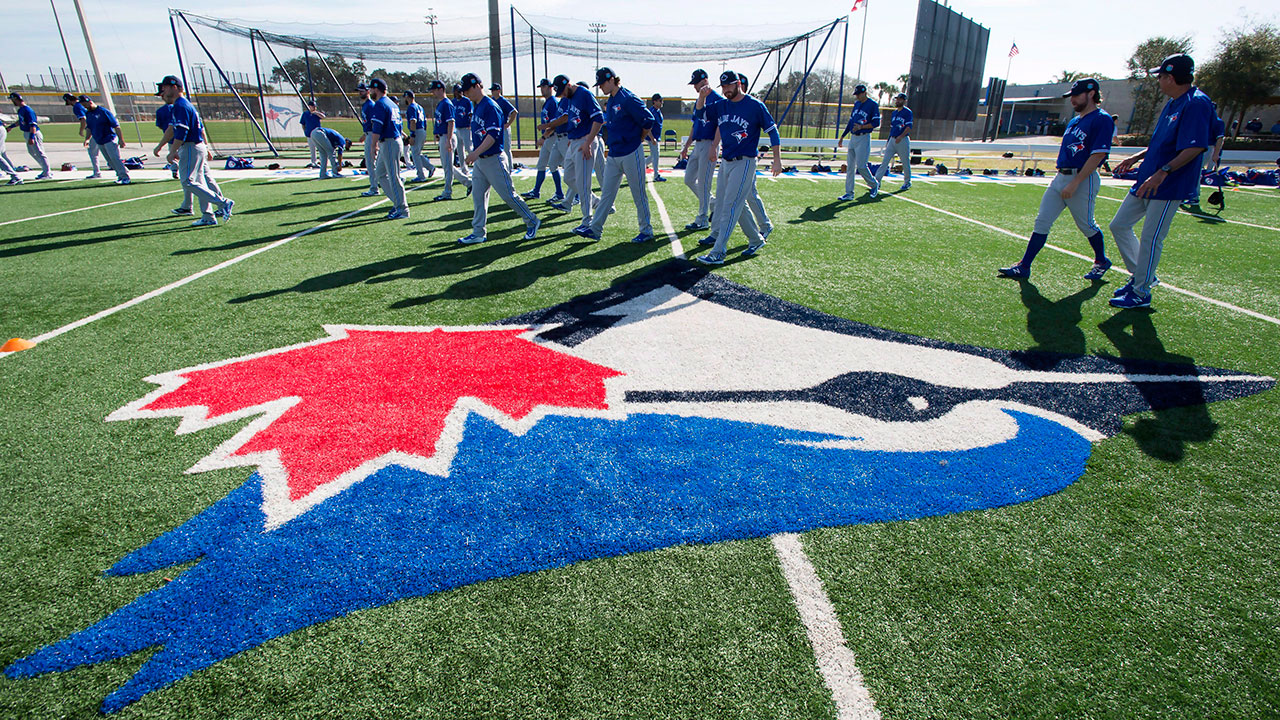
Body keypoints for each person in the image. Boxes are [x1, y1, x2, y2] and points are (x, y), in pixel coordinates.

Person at [1107, 54, 1213, 310]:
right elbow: (1160, 142)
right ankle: (1142, 277)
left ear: (1172, 77)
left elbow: (1195, 147)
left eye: (1162, 76)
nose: (1160, 81)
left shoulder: (1196, 103)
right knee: (1119, 225)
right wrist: (1137, 156)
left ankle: (1141, 292)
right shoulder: (1173, 102)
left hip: (1168, 184)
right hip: (1148, 178)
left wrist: (1164, 171)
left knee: (1152, 237)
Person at [998, 78, 1114, 281]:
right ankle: (1024, 266)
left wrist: (1075, 182)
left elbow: (1098, 155)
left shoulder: (1101, 119)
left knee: (1086, 224)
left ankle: (1101, 260)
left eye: (1077, 95)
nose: (1073, 100)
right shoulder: (1074, 121)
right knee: (1042, 220)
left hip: (1082, 179)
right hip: (1062, 176)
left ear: (1091, 94)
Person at [695, 70, 782, 265]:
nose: (726, 90)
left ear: (738, 84)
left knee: (729, 206)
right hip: (726, 161)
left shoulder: (754, 106)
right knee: (737, 203)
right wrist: (701, 97)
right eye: (723, 86)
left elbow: (772, 131)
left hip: (745, 161)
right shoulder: (722, 105)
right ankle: (756, 239)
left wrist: (777, 159)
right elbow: (700, 115)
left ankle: (718, 251)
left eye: (729, 86)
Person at [457, 72, 540, 245]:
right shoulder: (477, 105)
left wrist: (474, 153)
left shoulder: (490, 106)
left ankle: (532, 220)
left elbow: (493, 136)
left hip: (493, 158)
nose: (466, 93)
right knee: (478, 197)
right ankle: (478, 232)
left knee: (509, 196)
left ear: (477, 85)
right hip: (481, 161)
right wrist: (476, 154)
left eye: (468, 90)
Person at [577, 67, 654, 242]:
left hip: (630, 151)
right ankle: (595, 229)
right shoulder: (611, 101)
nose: (601, 87)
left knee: (638, 193)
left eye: (603, 83)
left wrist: (638, 139)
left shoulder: (627, 98)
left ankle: (646, 230)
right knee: (607, 194)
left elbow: (648, 120)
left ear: (612, 80)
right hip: (614, 153)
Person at [157, 75, 235, 227]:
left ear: (174, 87)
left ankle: (223, 202)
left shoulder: (181, 105)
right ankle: (208, 216)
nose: (162, 90)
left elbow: (181, 132)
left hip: (191, 146)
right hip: (195, 146)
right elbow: (172, 129)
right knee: (199, 181)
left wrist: (172, 150)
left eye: (165, 87)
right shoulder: (179, 105)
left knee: (187, 182)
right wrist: (161, 146)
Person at [538, 75, 604, 224]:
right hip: (573, 141)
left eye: (563, 91)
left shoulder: (584, 93)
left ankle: (588, 220)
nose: (562, 95)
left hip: (585, 141)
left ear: (568, 84)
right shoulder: (570, 98)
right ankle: (594, 200)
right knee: (568, 177)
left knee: (583, 182)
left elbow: (598, 118)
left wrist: (588, 142)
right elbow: (571, 118)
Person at [679, 68, 722, 230]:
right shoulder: (700, 99)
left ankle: (702, 218)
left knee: (704, 183)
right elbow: (695, 124)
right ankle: (713, 203)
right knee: (689, 179)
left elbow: (720, 125)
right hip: (698, 144)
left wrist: (714, 146)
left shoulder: (717, 99)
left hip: (709, 143)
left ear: (704, 81)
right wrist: (686, 147)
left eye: (696, 83)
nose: (694, 87)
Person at [367, 78, 408, 220]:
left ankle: (402, 209)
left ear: (376, 89)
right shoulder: (391, 103)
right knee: (380, 173)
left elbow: (377, 127)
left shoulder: (380, 104)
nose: (370, 91)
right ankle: (397, 203)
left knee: (393, 176)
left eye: (371, 89)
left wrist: (373, 146)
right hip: (393, 140)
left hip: (390, 141)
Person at [522, 78, 565, 200]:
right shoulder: (547, 102)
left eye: (544, 87)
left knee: (556, 166)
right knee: (541, 165)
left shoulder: (553, 102)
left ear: (550, 87)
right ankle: (536, 191)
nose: (542, 89)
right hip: (547, 139)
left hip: (552, 138)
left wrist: (543, 136)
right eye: (541, 87)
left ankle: (561, 193)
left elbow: (554, 123)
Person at [836, 84, 879, 200]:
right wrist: (842, 136)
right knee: (850, 167)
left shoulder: (872, 105)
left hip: (864, 137)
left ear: (864, 93)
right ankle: (849, 193)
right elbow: (851, 121)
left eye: (859, 94)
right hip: (853, 137)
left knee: (861, 166)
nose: (857, 97)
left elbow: (876, 123)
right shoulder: (857, 104)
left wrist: (862, 127)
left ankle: (874, 185)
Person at [76, 95, 130, 184]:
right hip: (99, 140)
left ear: (89, 102)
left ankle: (124, 177)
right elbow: (89, 128)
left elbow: (116, 126)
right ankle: (121, 174)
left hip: (109, 138)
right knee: (110, 161)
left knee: (115, 158)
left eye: (85, 105)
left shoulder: (103, 112)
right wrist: (87, 139)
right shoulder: (88, 113)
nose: (84, 107)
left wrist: (121, 139)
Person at [429, 80, 469, 200]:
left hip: (448, 137)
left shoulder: (446, 103)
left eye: (434, 90)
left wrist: (449, 139)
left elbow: (451, 122)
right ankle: (469, 183)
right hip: (444, 136)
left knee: (447, 167)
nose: (433, 92)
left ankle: (447, 192)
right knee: (448, 166)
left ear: (441, 89)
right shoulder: (442, 103)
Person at [1184, 102, 1225, 210]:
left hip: (1207, 148)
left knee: (1195, 171)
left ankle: (1194, 196)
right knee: (1190, 171)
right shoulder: (1201, 121)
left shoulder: (1217, 122)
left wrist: (1216, 154)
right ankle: (1189, 194)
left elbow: (1220, 139)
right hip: (1196, 147)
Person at [873, 92, 913, 191]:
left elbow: (908, 127)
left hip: (902, 140)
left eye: (900, 99)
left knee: (905, 162)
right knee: (885, 161)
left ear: (904, 101)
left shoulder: (907, 112)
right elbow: (893, 128)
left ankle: (907, 182)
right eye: (897, 99)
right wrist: (889, 140)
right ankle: (876, 182)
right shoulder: (894, 113)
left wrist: (901, 136)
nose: (898, 101)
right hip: (892, 139)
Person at [7, 92, 51, 179]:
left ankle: (47, 173)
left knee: (40, 152)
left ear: (16, 99)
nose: (12, 101)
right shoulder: (21, 110)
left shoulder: (28, 110)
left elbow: (33, 125)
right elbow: (21, 121)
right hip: (27, 132)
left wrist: (31, 137)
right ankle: (45, 169)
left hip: (33, 133)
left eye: (12, 100)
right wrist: (10, 127)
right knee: (32, 152)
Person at [65, 92, 100, 179]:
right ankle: (122, 168)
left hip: (94, 129)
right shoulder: (80, 105)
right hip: (97, 128)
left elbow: (83, 119)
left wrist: (81, 131)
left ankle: (97, 172)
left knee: (93, 152)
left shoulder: (77, 106)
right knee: (106, 151)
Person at [402, 90, 434, 183]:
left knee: (415, 154)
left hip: (417, 130)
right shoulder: (419, 106)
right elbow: (425, 121)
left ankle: (421, 175)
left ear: (408, 97)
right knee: (417, 153)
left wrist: (412, 135)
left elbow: (413, 121)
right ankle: (430, 167)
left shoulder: (411, 107)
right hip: (422, 130)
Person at [355, 82, 381, 197]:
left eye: (362, 91)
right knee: (373, 162)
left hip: (372, 135)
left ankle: (374, 187)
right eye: (359, 91)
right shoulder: (366, 105)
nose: (360, 93)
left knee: (371, 162)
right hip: (369, 134)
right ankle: (375, 186)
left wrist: (372, 140)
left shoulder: (370, 105)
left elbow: (374, 123)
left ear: (368, 91)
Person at [489, 83, 518, 170]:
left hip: (504, 128)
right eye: (492, 90)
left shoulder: (503, 101)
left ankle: (509, 168)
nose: (492, 92)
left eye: (494, 90)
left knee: (506, 149)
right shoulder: (492, 100)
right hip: (495, 128)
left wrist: (509, 123)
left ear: (498, 90)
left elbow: (514, 112)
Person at [453, 84, 473, 175]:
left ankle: (478, 166)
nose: (458, 93)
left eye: (460, 91)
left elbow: (470, 114)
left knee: (469, 148)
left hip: (466, 128)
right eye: (457, 91)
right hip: (457, 128)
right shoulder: (453, 102)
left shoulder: (467, 101)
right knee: (460, 151)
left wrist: (470, 124)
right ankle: (464, 170)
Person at [647, 93, 666, 182]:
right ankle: (656, 175)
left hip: (656, 137)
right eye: (660, 101)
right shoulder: (652, 112)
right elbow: (648, 127)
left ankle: (639, 166)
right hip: (653, 137)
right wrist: (652, 138)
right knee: (655, 156)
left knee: (653, 156)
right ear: (654, 102)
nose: (661, 102)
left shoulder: (658, 111)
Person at [300, 101, 325, 168]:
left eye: (315, 106)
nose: (314, 107)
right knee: (312, 149)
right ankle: (313, 162)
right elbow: (303, 123)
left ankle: (322, 161)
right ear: (309, 106)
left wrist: (315, 112)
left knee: (320, 148)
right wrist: (305, 131)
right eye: (312, 106)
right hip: (309, 134)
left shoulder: (316, 114)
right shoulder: (305, 114)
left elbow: (323, 116)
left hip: (317, 134)